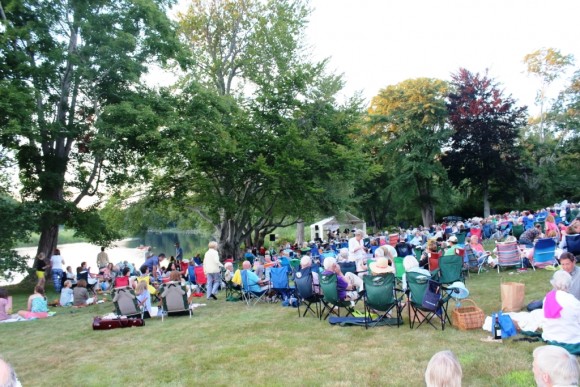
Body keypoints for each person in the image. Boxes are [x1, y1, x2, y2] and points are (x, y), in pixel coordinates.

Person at [541, 270, 580, 345]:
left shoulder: (547, 298)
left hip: (550, 336)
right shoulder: (574, 301)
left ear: (554, 283)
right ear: (569, 284)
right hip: (572, 339)